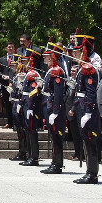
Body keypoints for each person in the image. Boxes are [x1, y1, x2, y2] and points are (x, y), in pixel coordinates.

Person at [72, 32, 101, 184]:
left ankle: (93, 173)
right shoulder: (83, 67)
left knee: (90, 139)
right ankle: (89, 171)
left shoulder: (88, 68)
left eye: (77, 51)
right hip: (81, 106)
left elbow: (90, 92)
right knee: (86, 139)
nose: (74, 54)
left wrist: (88, 112)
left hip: (87, 108)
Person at [41, 45, 67, 174]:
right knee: (53, 135)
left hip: (53, 107)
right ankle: (54, 162)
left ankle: (57, 164)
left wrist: (56, 112)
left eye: (46, 56)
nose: (44, 58)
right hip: (48, 104)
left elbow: (58, 93)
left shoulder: (57, 71)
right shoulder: (51, 70)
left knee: (56, 136)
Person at [20, 49, 42, 167]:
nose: (23, 63)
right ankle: (30, 155)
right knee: (28, 131)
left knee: (32, 132)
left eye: (26, 60)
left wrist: (29, 107)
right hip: (27, 106)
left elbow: (33, 93)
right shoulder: (28, 73)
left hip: (31, 108)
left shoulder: (33, 74)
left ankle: (34, 157)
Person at [65, 65, 82, 161]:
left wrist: (73, 109)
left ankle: (79, 154)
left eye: (74, 71)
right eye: (71, 71)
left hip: (75, 112)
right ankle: (76, 152)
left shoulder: (79, 83)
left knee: (77, 135)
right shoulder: (71, 82)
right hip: (68, 112)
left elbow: (76, 98)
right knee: (74, 135)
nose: (72, 72)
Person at [0, 42, 16, 128]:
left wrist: (10, 77)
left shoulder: (17, 58)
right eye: (9, 47)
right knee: (7, 104)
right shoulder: (2, 59)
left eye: (12, 47)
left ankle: (15, 123)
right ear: (6, 48)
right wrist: (2, 76)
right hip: (5, 84)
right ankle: (9, 122)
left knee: (14, 103)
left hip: (14, 84)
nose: (10, 49)